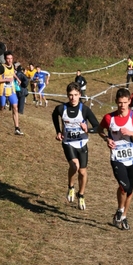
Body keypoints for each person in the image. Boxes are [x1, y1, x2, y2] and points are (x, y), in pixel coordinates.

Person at [98, 88, 133, 230]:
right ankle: (120, 209)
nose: (122, 105)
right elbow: (99, 129)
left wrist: (131, 133)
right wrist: (107, 139)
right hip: (117, 158)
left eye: (125, 102)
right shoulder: (109, 118)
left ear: (129, 102)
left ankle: (123, 216)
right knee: (124, 187)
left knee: (130, 190)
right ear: (116, 102)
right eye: (120, 103)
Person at [52, 82, 99, 210]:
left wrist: (87, 129)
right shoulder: (62, 109)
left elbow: (98, 127)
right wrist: (58, 131)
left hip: (82, 143)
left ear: (80, 95)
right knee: (74, 165)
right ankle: (71, 187)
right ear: (67, 95)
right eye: (70, 95)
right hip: (68, 143)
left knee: (83, 172)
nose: (73, 98)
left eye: (75, 95)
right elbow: (54, 114)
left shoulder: (84, 110)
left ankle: (81, 194)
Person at [0, 51, 24, 135]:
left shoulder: (12, 66)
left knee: (15, 107)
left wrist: (17, 79)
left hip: (11, 91)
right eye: (8, 59)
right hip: (3, 91)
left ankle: (17, 128)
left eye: (11, 58)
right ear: (5, 59)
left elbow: (12, 73)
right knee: (1, 107)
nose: (10, 60)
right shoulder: (1, 68)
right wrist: (6, 80)